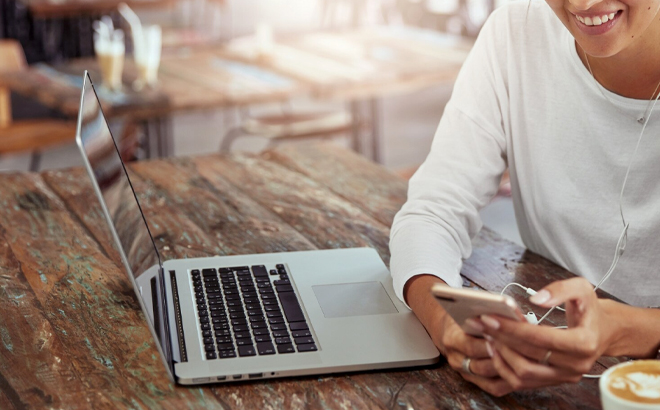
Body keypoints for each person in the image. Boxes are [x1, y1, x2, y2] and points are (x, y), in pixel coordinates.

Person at [389, 0, 660, 396]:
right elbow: (434, 209)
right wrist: (447, 324)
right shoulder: (516, 34)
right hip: (545, 378)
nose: (582, 4)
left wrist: (627, 330)